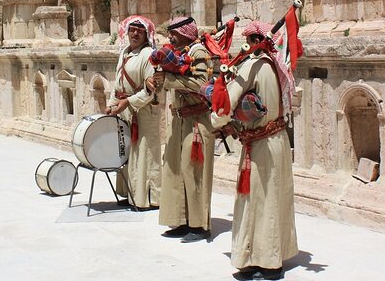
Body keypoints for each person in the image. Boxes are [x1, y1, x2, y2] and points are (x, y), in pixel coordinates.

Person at [211, 21, 298, 280]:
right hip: (278, 140)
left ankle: (266, 263)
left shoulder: (251, 66)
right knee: (274, 197)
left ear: (251, 41)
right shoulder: (274, 65)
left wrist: (218, 122)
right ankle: (272, 255)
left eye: (246, 39)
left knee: (257, 201)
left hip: (260, 145)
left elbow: (226, 101)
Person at [146, 16, 215, 243]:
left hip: (196, 122)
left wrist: (169, 79)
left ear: (184, 32)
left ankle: (199, 225)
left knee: (194, 172)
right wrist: (158, 83)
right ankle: (182, 220)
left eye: (172, 34)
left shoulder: (198, 53)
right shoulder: (180, 53)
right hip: (178, 121)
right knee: (175, 169)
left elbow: (201, 84)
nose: (169, 38)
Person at [105, 16, 161, 210]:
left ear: (146, 34)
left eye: (139, 30)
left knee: (144, 154)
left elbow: (152, 89)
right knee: (128, 152)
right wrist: (111, 104)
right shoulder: (125, 53)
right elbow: (118, 83)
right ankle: (129, 193)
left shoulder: (149, 55)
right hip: (125, 109)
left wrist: (128, 101)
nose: (135, 33)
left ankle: (148, 198)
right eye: (132, 30)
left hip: (143, 113)